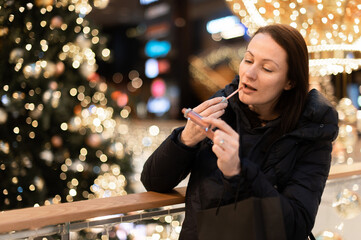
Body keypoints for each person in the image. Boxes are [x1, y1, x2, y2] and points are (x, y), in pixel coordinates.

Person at [141, 24, 339, 240]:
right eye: (248, 60)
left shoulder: (312, 130)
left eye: (267, 68)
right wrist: (184, 140)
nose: (250, 73)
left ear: (290, 82)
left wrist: (239, 172)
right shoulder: (223, 106)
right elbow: (153, 181)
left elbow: (296, 225)